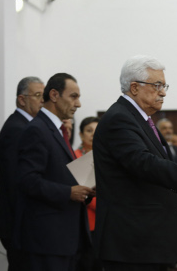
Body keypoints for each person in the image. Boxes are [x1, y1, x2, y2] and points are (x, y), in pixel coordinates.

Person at [93, 55, 177, 270]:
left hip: (145, 242)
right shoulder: (119, 118)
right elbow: (141, 162)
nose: (163, 92)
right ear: (135, 87)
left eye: (164, 85)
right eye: (157, 85)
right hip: (130, 243)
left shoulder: (141, 120)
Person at [15, 73, 95, 271]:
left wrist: (84, 190)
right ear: (54, 95)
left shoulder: (57, 129)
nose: (78, 104)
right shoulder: (37, 129)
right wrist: (69, 192)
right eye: (73, 96)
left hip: (65, 239)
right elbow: (28, 180)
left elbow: (58, 175)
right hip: (47, 240)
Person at [0, 76, 44, 270]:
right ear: (22, 99)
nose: (43, 100)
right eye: (37, 95)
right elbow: (14, 180)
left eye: (44, 95)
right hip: (18, 224)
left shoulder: (27, 126)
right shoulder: (17, 129)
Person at [75, 116, 102, 271]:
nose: (93, 134)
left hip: (105, 223)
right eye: (89, 130)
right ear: (81, 134)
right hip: (86, 221)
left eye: (96, 131)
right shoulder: (75, 156)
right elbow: (85, 192)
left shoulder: (105, 156)